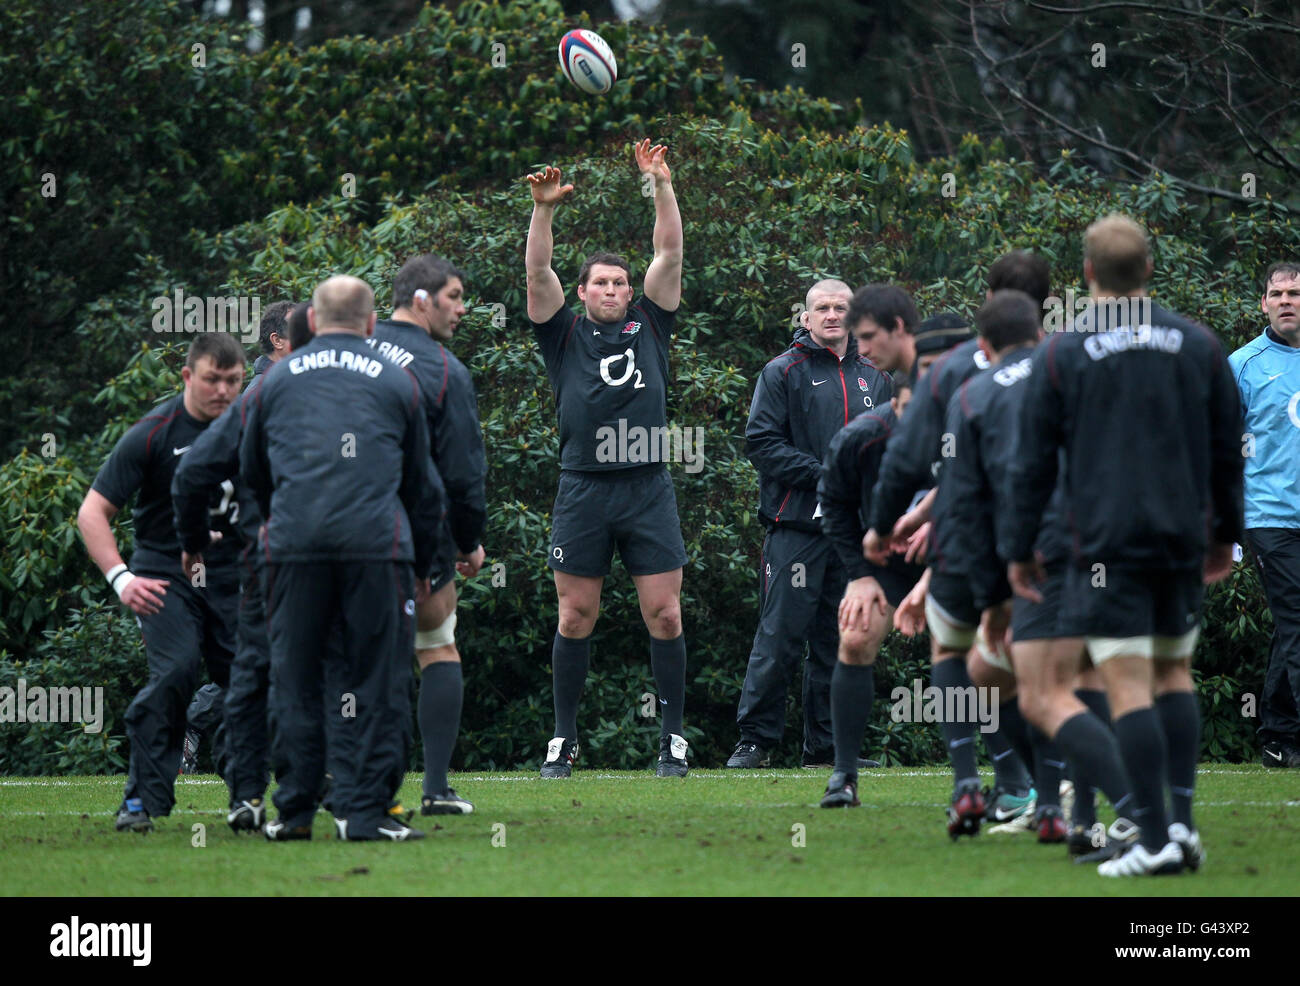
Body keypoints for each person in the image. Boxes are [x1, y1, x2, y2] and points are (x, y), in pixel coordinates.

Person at [1004, 214, 1243, 876]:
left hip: (1104, 544)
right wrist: (1225, 534)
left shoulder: (1063, 350)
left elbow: (1030, 464)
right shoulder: (1199, 344)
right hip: (1180, 537)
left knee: (1129, 682)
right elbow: (1229, 450)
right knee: (1174, 673)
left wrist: (1021, 548)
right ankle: (1182, 830)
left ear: (1087, 274)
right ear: (1148, 269)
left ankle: (1155, 838)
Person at [241, 276, 445, 841]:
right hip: (377, 550)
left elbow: (251, 470)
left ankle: (296, 812)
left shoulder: (274, 379)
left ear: (310, 321)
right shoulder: (396, 378)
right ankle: (365, 812)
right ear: (372, 322)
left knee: (295, 679)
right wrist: (422, 562)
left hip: (295, 549)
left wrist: (272, 533)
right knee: (378, 683)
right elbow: (423, 487)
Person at [523, 140, 690, 778]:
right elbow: (539, 275)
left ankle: (672, 742)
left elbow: (669, 252)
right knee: (575, 614)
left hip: (647, 485)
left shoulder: (651, 321)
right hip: (584, 487)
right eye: (602, 282)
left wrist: (661, 185)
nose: (614, 289)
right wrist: (543, 212)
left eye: (621, 281)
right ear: (585, 290)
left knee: (666, 613)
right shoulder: (561, 329)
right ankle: (563, 742)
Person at [77, 333, 247, 832]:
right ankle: (140, 801)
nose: (222, 390)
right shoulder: (152, 432)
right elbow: (92, 513)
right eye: (212, 379)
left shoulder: (253, 428)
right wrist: (120, 578)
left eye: (232, 381)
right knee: (176, 672)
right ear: (187, 376)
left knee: (247, 680)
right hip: (163, 574)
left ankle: (246, 798)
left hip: (231, 573)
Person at [726, 279, 894, 769]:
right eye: (822, 307)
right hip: (795, 528)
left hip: (853, 534)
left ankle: (827, 747)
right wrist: (828, 477)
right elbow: (761, 442)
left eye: (842, 307)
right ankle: (755, 741)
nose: (832, 315)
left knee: (840, 639)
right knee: (779, 637)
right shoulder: (782, 371)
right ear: (805, 317)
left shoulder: (876, 374)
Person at [172, 302, 310, 832]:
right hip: (262, 553)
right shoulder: (268, 391)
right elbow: (208, 471)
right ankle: (270, 787)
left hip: (260, 551)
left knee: (257, 664)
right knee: (262, 664)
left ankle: (254, 789)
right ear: (277, 340)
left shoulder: (283, 384)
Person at [370, 254, 487, 814]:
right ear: (423, 299)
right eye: (455, 296)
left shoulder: (350, 351)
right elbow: (464, 473)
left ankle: (325, 787)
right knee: (435, 646)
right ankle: (435, 789)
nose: (463, 309)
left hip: (329, 529)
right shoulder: (443, 369)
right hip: (415, 532)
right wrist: (469, 541)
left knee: (341, 658)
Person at [816, 369, 924, 805]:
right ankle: (843, 776)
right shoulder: (860, 438)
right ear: (893, 405)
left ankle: (1013, 782)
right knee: (855, 637)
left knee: (988, 655)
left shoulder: (965, 431)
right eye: (907, 409)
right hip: (883, 560)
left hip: (957, 551)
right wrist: (860, 576)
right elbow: (835, 506)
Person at [1228, 261, 1300, 769]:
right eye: (1277, 293)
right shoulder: (1243, 366)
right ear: (1263, 303)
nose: (1286, 301)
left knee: (1290, 626)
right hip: (1269, 517)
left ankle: (1279, 734)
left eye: (1295, 293)